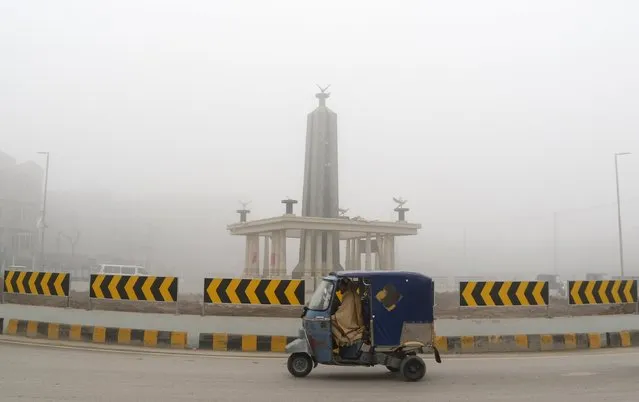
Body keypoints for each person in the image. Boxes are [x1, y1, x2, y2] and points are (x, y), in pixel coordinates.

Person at [330, 278, 364, 348]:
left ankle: (343, 340)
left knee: (330, 321)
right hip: (354, 319)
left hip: (352, 322)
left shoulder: (349, 295)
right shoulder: (351, 293)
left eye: (341, 286)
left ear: (345, 286)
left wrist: (333, 316)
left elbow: (343, 315)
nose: (340, 289)